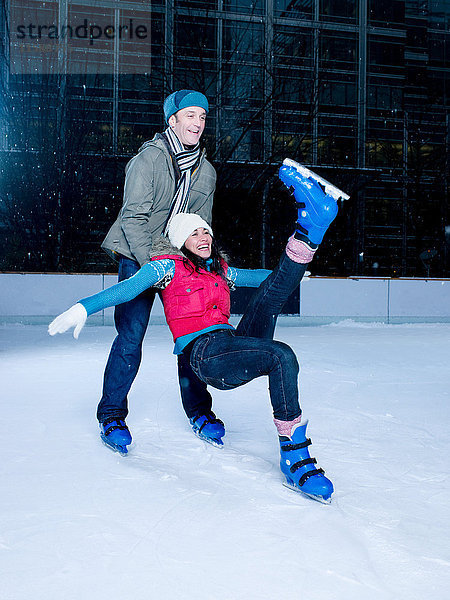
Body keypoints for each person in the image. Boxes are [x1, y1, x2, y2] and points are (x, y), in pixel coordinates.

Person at [49, 159, 348, 503]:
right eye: (194, 232)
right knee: (282, 354)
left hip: (232, 343)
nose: (203, 236)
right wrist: (83, 306)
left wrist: (290, 273)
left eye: (205, 230)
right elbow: (128, 289)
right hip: (205, 356)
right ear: (180, 240)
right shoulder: (166, 269)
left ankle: (310, 228)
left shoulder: (220, 270)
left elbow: (261, 281)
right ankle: (295, 457)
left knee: (271, 297)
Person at [97, 89, 217, 455]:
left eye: (202, 117)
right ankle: (112, 413)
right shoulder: (147, 161)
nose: (197, 123)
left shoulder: (206, 172)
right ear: (173, 120)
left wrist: (201, 264)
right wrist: (152, 262)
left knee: (193, 334)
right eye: (190, 115)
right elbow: (133, 218)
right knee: (131, 335)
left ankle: (200, 411)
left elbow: (200, 224)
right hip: (138, 254)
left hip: (177, 258)